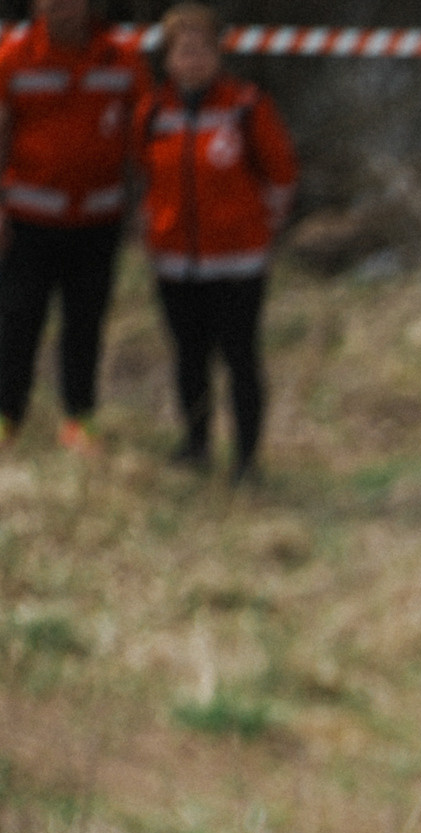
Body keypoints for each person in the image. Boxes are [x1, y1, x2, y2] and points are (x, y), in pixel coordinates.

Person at [137, 4, 293, 479]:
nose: (192, 58)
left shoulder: (245, 105)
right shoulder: (152, 112)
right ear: (168, 59)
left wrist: (260, 229)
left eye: (201, 48)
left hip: (238, 262)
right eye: (182, 50)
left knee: (240, 359)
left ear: (216, 53)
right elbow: (145, 176)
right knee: (189, 359)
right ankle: (196, 444)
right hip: (176, 262)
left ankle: (247, 458)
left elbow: (281, 175)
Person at [0, 0, 148, 455]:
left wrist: (146, 206)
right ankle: (7, 418)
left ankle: (79, 420)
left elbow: (143, 136)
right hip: (29, 220)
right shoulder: (13, 56)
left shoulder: (122, 57)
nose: (65, 7)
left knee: (85, 325)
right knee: (17, 323)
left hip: (98, 221)